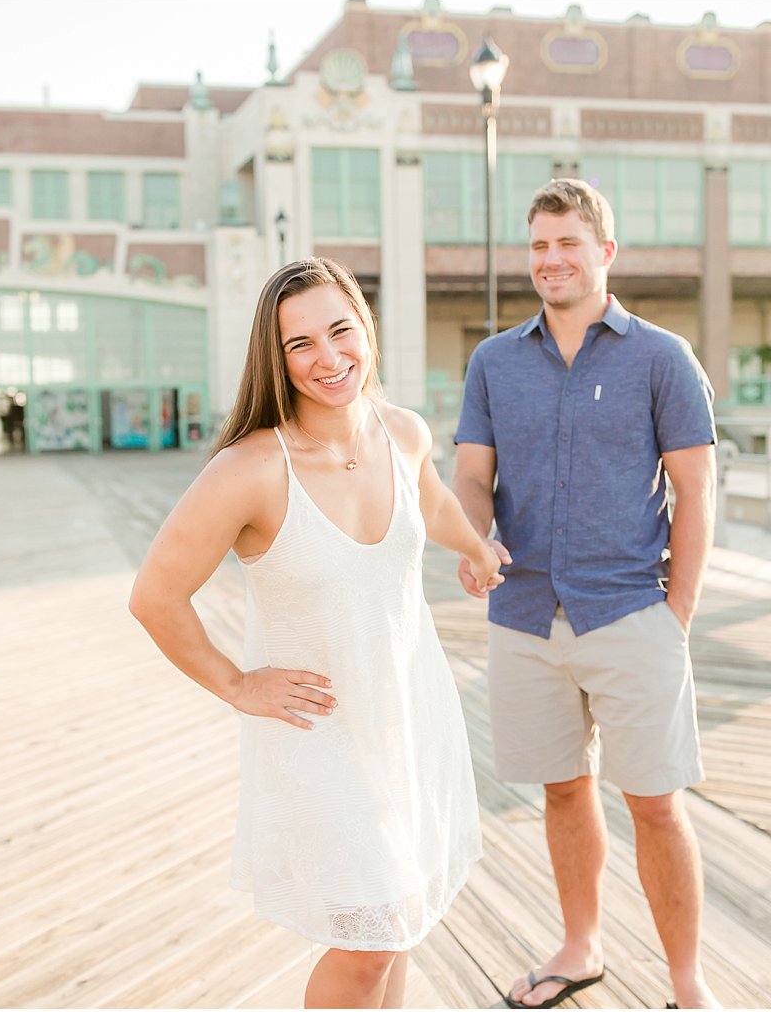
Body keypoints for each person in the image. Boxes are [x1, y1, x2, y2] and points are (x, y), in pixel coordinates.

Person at [129, 257, 505, 1009]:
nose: (329, 358)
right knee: (367, 945)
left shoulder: (402, 432)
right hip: (320, 729)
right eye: (301, 344)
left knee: (397, 924)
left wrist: (474, 548)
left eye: (341, 330)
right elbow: (155, 597)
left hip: (407, 711)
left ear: (366, 328)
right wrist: (237, 683)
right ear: (277, 359)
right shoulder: (251, 469)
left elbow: (428, 503)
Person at [452, 179, 720, 1010]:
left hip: (632, 613)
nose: (551, 259)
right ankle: (581, 947)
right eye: (538, 245)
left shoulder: (661, 357)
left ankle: (687, 983)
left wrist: (677, 612)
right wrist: (473, 538)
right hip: (526, 616)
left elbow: (697, 489)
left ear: (605, 252)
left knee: (657, 805)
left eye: (568, 243)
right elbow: (470, 476)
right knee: (563, 789)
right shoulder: (494, 361)